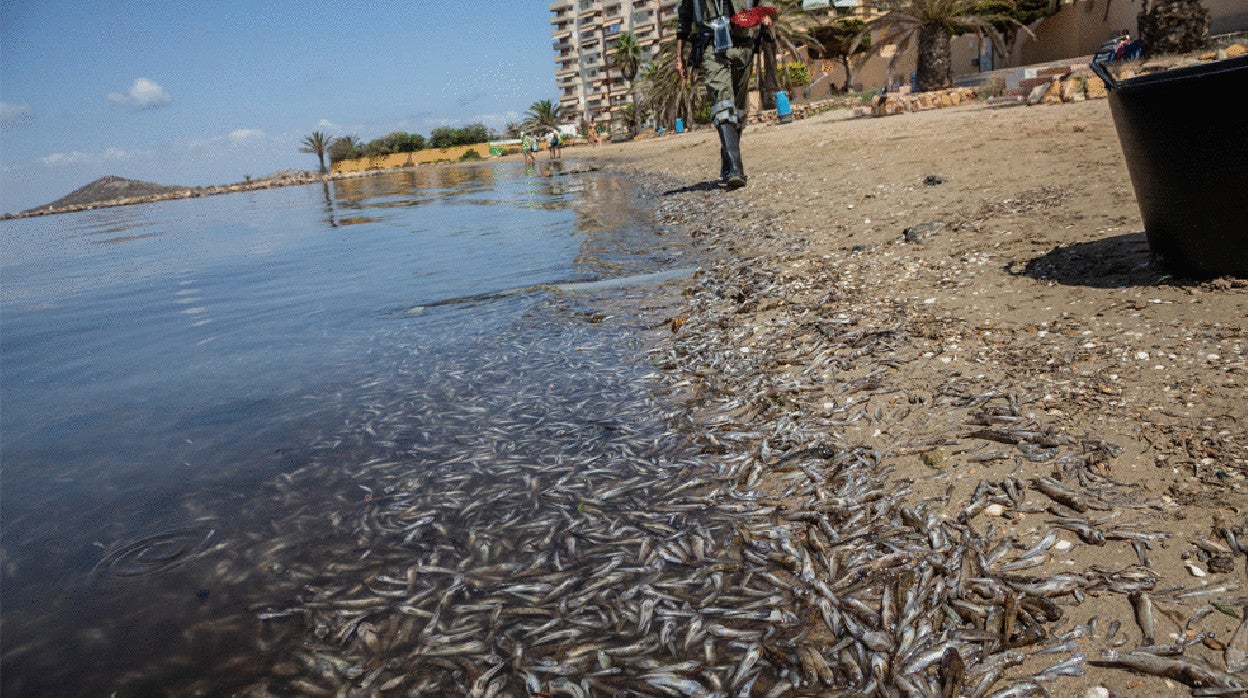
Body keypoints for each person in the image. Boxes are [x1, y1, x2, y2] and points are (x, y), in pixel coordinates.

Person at [676, 0, 765, 188]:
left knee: (738, 111)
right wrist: (679, 57)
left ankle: (727, 164)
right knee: (722, 102)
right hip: (711, 45)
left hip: (743, 44)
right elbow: (683, 19)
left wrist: (765, 15)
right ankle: (735, 169)